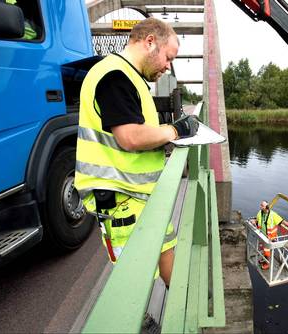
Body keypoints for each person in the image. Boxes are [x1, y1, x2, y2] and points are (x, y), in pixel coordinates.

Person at [74, 17, 199, 288]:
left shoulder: (129, 76)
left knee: (164, 246)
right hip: (120, 197)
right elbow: (130, 137)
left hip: (139, 193)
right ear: (150, 42)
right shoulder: (114, 76)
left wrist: (167, 132)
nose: (168, 67)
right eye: (168, 58)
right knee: (134, 275)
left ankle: (182, 302)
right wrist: (175, 131)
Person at [253, 200, 288, 270]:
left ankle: (267, 264)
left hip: (270, 238)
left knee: (267, 251)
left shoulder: (273, 215)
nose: (260, 206)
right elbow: (257, 220)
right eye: (261, 205)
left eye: (262, 206)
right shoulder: (260, 213)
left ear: (267, 207)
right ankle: (264, 260)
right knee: (262, 248)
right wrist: (254, 222)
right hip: (262, 235)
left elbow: (283, 222)